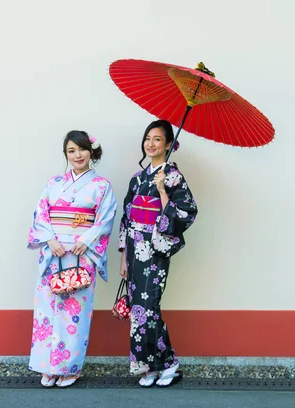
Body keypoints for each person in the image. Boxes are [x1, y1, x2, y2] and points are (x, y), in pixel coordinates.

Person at [27, 130, 118, 388]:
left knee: (74, 313)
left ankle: (69, 367)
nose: (77, 155)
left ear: (91, 152)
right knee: (47, 311)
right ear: (66, 154)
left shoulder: (101, 186)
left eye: (82, 149)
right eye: (71, 151)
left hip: (81, 254)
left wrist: (85, 241)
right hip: (53, 253)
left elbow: (105, 219)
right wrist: (51, 241)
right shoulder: (53, 183)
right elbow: (41, 215)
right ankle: (48, 367)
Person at [118, 119, 198, 387]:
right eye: (148, 138)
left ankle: (169, 363)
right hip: (134, 250)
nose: (150, 144)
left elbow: (186, 213)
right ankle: (149, 367)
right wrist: (123, 258)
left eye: (157, 139)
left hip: (154, 251)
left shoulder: (173, 177)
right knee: (138, 310)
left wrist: (163, 190)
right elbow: (127, 218)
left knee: (149, 308)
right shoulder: (137, 179)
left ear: (168, 144)